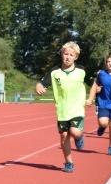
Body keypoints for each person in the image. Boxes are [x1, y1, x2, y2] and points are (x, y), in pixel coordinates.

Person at [35, 42, 86, 173]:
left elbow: (97, 81)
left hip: (77, 108)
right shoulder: (54, 72)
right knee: (64, 136)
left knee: (75, 132)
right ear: (62, 54)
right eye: (65, 54)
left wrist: (94, 94)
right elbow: (42, 83)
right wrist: (39, 86)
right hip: (62, 110)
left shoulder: (82, 70)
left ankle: (79, 137)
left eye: (71, 55)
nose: (68, 57)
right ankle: (69, 162)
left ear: (76, 57)